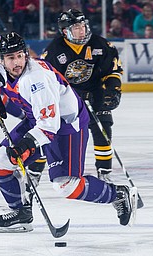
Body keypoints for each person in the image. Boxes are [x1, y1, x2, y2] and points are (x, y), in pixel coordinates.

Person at [0, 31, 137, 232]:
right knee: (0, 162)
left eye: (20, 55)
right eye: (11, 58)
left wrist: (26, 145)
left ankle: (118, 194)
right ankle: (21, 214)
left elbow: (49, 127)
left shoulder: (36, 80)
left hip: (66, 125)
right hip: (37, 120)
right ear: (1, 59)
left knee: (66, 186)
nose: (17, 62)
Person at [41, 9, 122, 182]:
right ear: (65, 31)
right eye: (76, 27)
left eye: (83, 26)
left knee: (103, 126)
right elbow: (50, 84)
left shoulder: (101, 45)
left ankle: (105, 173)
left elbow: (112, 71)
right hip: (66, 100)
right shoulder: (53, 52)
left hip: (95, 94)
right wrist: (75, 94)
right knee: (50, 131)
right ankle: (36, 170)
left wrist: (113, 90)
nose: (82, 30)